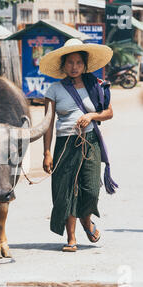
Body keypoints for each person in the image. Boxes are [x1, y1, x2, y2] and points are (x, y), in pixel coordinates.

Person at [39, 38, 117, 252]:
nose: (74, 67)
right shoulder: (53, 90)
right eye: (70, 62)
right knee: (66, 191)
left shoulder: (96, 85)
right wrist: (46, 152)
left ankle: (86, 220)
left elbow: (109, 113)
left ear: (85, 65)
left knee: (91, 189)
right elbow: (47, 124)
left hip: (90, 142)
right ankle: (71, 238)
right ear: (63, 65)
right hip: (64, 144)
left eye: (78, 63)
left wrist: (91, 115)